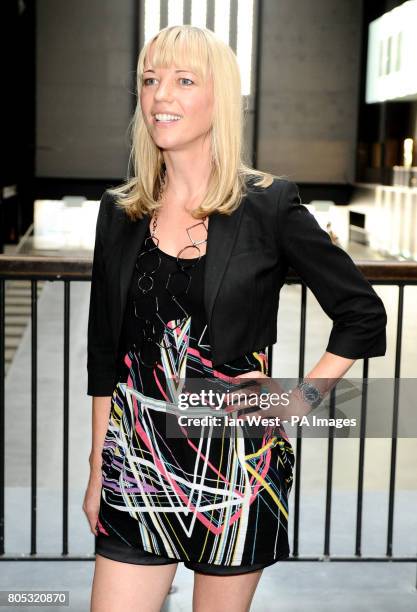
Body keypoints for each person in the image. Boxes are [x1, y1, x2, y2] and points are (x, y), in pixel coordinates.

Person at [83, 24, 387, 612]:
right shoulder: (119, 211)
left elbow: (362, 315)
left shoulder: (269, 204)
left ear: (218, 97)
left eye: (183, 80)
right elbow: (104, 354)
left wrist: (295, 401)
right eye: (150, 80)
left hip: (235, 463)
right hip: (135, 456)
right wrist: (99, 464)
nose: (160, 95)